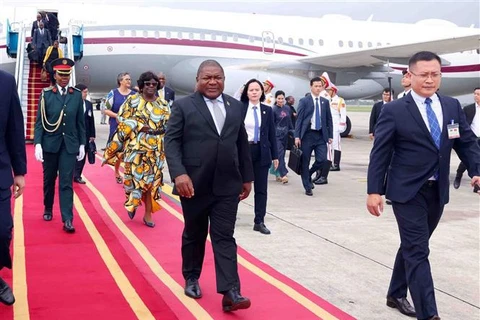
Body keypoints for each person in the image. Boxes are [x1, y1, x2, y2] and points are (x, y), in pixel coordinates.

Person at [366, 51, 480, 320]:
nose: (430, 80)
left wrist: (477, 170)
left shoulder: (451, 106)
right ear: (410, 76)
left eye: (435, 74)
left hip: (436, 191)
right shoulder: (393, 110)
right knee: (418, 250)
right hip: (406, 192)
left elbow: (466, 142)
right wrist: (374, 191)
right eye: (424, 74)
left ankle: (395, 293)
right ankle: (429, 315)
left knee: (414, 243)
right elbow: (380, 153)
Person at [164, 59, 254, 312]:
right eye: (207, 77)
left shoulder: (236, 107)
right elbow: (171, 142)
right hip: (193, 183)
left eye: (218, 77)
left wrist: (247, 177)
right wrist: (179, 174)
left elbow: (241, 144)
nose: (212, 82)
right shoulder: (183, 106)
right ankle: (191, 277)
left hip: (228, 184)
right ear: (198, 80)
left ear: (224, 80)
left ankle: (231, 292)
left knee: (224, 236)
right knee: (195, 233)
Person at [103, 72, 169, 227]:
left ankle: (147, 214)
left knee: (151, 183)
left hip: (156, 150)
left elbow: (169, 126)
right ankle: (132, 201)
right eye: (147, 84)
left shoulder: (163, 105)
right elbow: (122, 119)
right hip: (136, 147)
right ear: (141, 85)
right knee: (134, 180)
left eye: (154, 84)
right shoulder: (132, 101)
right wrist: (138, 125)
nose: (151, 86)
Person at [34, 58, 85, 233]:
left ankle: (68, 219)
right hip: (50, 143)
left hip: (69, 145)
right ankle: (48, 207)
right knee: (49, 180)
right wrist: (38, 143)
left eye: (67, 75)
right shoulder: (46, 94)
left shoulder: (76, 94)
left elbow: (80, 122)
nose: (65, 78)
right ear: (55, 75)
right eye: (61, 75)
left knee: (66, 182)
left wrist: (82, 144)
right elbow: (40, 122)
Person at [0, 70, 27, 306]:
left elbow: (14, 129)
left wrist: (19, 171)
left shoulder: (6, 82)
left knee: (2, 230)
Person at [240, 79, 278, 235]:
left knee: (261, 189)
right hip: (244, 151)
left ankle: (259, 221)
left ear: (262, 92)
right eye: (251, 90)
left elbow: (271, 135)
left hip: (261, 152)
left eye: (257, 90)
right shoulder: (240, 108)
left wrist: (275, 156)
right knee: (238, 186)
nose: (254, 92)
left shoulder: (267, 110)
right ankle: (229, 216)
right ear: (246, 92)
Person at [294, 76, 333, 196]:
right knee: (304, 161)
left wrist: (330, 135)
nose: (318, 88)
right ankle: (307, 186)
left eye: (320, 86)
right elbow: (299, 120)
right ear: (311, 87)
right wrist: (297, 136)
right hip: (307, 135)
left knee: (322, 159)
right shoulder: (304, 101)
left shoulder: (325, 102)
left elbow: (329, 120)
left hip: (321, 135)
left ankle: (309, 174)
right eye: (315, 86)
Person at [103, 72, 135, 184]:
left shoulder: (134, 95)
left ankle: (128, 174)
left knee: (130, 151)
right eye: (126, 79)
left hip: (131, 128)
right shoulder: (113, 93)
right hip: (116, 127)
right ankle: (117, 172)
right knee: (119, 152)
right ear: (120, 81)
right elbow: (106, 109)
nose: (129, 81)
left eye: (130, 79)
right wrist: (117, 116)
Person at [453, 87, 480, 192]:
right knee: (467, 159)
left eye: (478, 94)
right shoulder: (468, 109)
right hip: (472, 139)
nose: (476, 96)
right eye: (475, 94)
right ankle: (458, 175)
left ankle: (477, 185)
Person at [73, 84, 96, 184]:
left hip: (85, 134)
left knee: (83, 155)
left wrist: (92, 134)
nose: (86, 94)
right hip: (74, 134)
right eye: (84, 92)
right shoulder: (71, 103)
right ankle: (69, 173)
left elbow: (91, 120)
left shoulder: (88, 104)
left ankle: (77, 175)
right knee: (73, 154)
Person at [272, 90, 293, 184]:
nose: (280, 100)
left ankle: (277, 174)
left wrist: (293, 132)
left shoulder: (287, 108)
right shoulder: (273, 110)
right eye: (279, 98)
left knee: (282, 154)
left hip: (285, 134)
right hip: (276, 135)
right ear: (276, 99)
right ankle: (283, 174)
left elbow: (289, 122)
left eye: (282, 98)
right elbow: (271, 124)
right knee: (279, 154)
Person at [327, 84, 347, 171]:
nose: (327, 92)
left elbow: (343, 114)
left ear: (333, 91)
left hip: (336, 125)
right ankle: (329, 163)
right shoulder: (327, 100)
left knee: (336, 145)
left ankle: (336, 164)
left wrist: (342, 125)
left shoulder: (340, 101)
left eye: (329, 91)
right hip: (328, 125)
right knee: (329, 145)